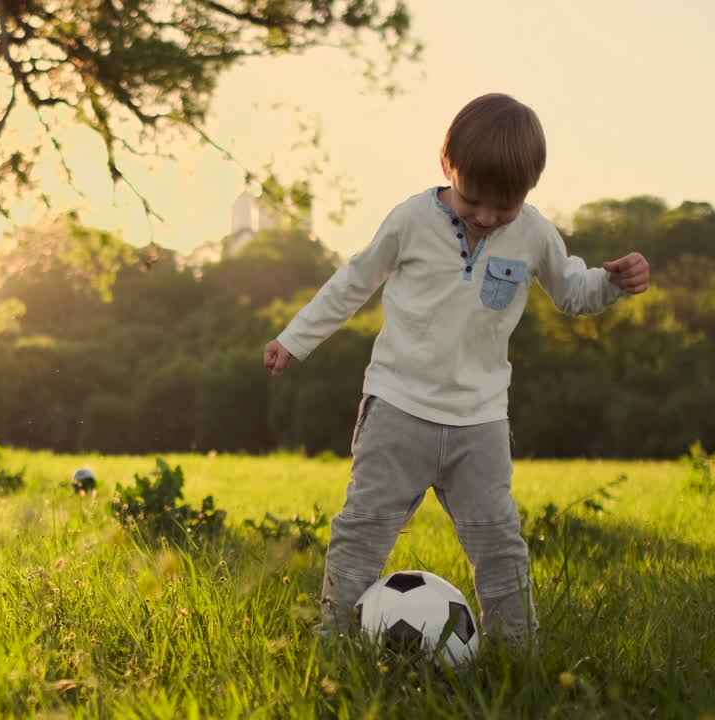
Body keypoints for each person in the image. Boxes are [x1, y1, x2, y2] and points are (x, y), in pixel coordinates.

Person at [262, 93, 650, 645]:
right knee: (363, 532)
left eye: (506, 205)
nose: (488, 217)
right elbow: (354, 281)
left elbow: (573, 291)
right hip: (398, 406)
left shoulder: (534, 232)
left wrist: (612, 282)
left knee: (498, 542)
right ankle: (334, 644)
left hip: (480, 419)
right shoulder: (411, 220)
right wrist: (294, 339)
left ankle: (517, 655)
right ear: (448, 166)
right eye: (473, 200)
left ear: (529, 191)